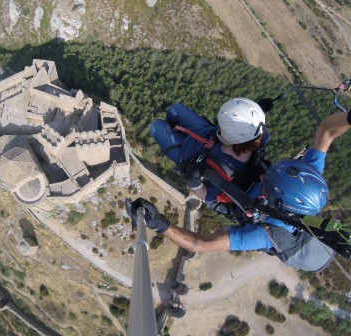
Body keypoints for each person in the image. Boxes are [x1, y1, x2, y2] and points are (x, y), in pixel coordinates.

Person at [128, 110, 351, 271]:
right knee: (174, 111)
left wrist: (160, 224)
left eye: (266, 180)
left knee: (157, 127)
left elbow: (202, 244)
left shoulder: (265, 234)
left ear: (275, 200)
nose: (264, 174)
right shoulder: (305, 179)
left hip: (221, 192)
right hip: (234, 160)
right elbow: (327, 131)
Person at [150, 99, 269, 214]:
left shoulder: (226, 177)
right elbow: (253, 129)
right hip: (205, 133)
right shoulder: (254, 136)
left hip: (186, 154)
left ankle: (174, 130)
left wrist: (194, 182)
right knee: (175, 110)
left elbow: (205, 196)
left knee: (157, 126)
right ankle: (174, 127)